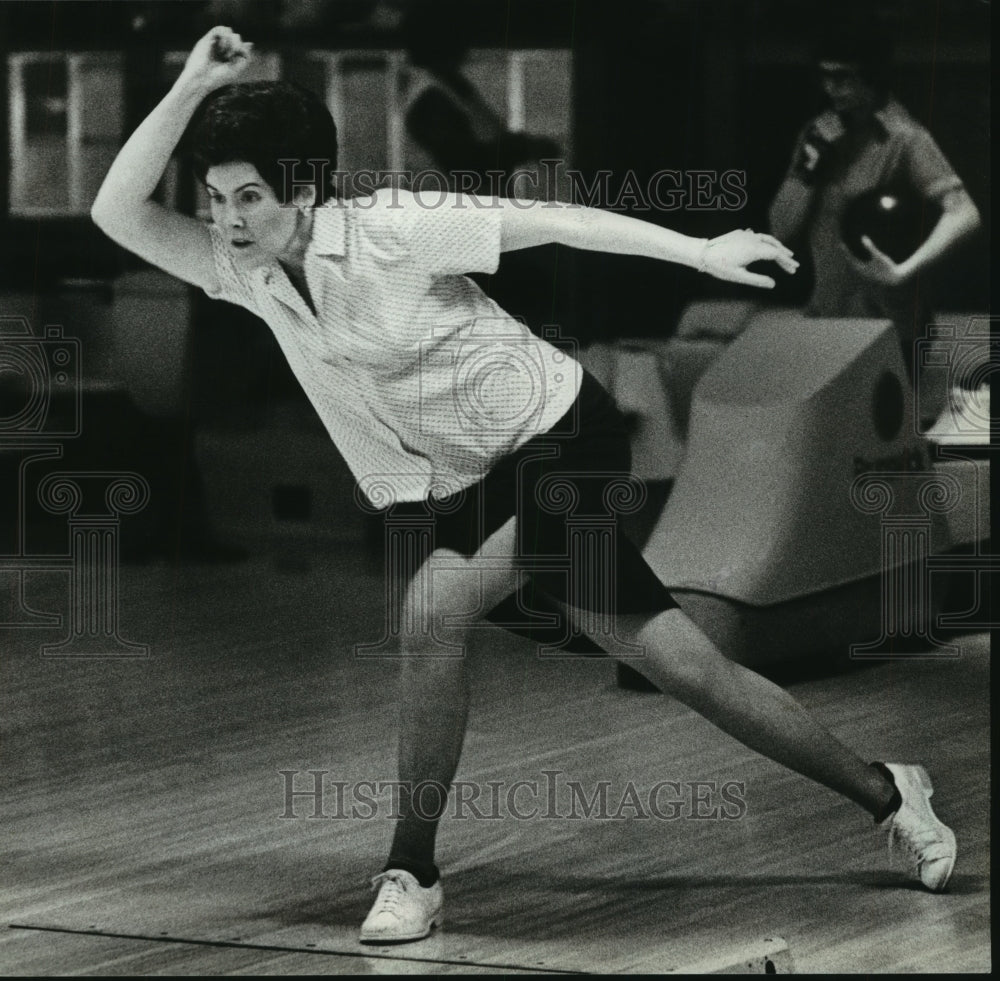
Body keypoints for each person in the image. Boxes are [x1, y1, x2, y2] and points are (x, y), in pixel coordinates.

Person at [92, 27, 957, 946]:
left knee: (434, 611)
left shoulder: (394, 227)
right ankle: (887, 790)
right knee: (688, 668)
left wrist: (701, 255)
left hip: (560, 438)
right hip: (465, 484)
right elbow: (118, 211)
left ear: (303, 188)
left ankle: (411, 871)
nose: (225, 218)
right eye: (216, 198)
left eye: (248, 196)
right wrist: (191, 83)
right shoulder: (249, 273)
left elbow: (556, 220)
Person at [768, 23, 981, 378]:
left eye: (843, 77)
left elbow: (965, 213)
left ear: (872, 76)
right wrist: (809, 167)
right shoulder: (818, 133)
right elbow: (780, 229)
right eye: (824, 76)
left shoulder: (903, 138)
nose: (830, 88)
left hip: (890, 328)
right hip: (827, 322)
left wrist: (904, 270)